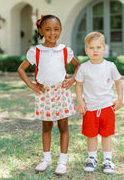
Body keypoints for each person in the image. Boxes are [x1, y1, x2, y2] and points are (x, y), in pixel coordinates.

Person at [18, 14, 80, 175]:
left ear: (61, 30)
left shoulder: (65, 50)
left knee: (63, 126)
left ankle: (62, 161)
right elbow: (21, 69)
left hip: (61, 92)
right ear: (41, 31)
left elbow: (79, 66)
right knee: (46, 127)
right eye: (48, 29)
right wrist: (32, 85)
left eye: (56, 29)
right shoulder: (36, 51)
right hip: (44, 93)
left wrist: (72, 80)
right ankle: (46, 158)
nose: (53, 33)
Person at [75, 32, 123, 174]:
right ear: (86, 50)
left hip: (107, 106)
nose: (95, 50)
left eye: (98, 47)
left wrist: (120, 98)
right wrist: (80, 101)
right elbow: (78, 85)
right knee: (91, 135)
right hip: (90, 108)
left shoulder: (110, 66)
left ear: (104, 48)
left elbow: (118, 82)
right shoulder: (84, 68)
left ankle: (107, 160)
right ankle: (92, 158)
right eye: (91, 48)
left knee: (106, 135)